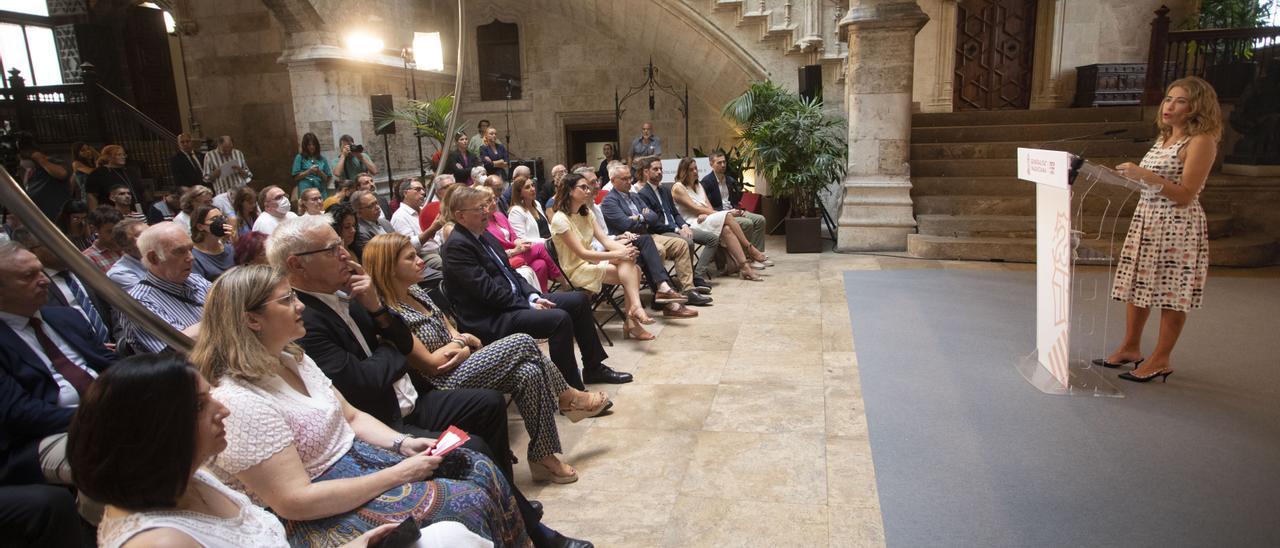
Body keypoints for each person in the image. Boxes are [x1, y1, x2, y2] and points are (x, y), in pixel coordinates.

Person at [183, 266, 530, 546]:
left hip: (362, 463)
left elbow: (350, 415)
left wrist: (403, 444)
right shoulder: (239, 400)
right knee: (461, 503)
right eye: (287, 300)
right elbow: (294, 501)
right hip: (319, 509)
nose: (300, 305)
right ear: (251, 320)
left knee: (478, 466)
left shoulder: (293, 357)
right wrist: (398, 473)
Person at [68, 353, 405, 548]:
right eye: (201, 405)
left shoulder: (191, 475)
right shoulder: (161, 543)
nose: (223, 410)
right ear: (158, 430)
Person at [367, 233, 609, 482]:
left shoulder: (416, 291)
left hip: (460, 363)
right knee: (523, 340)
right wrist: (462, 343)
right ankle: (568, 396)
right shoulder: (390, 314)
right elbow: (431, 363)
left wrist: (460, 344)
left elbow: (452, 330)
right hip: (441, 383)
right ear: (389, 267)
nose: (420, 261)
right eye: (410, 258)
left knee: (529, 372)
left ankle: (543, 457)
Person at [442, 184, 633, 387]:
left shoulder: (483, 235)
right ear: (460, 216)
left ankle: (594, 368)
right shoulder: (457, 247)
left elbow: (511, 274)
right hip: (491, 316)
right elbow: (488, 293)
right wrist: (528, 305)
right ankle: (569, 390)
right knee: (558, 319)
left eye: (485, 206)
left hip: (511, 302)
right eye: (479, 209)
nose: (486, 211)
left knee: (577, 300)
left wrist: (533, 296)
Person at [1099, 76, 1220, 384]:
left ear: (1197, 107)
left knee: (1171, 292)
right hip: (1148, 219)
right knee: (1138, 285)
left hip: (1177, 225)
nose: (1170, 106)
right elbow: (1152, 180)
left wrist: (1144, 175)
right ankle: (1130, 346)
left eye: (1180, 100)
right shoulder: (1164, 138)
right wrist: (1127, 177)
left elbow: (1185, 194)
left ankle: (1161, 359)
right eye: (1168, 98)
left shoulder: (1200, 141)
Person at [0, 241, 115, 509]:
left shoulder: (65, 317)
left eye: (41, 272)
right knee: (112, 454)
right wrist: (100, 416)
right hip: (39, 437)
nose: (44, 281)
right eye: (29, 276)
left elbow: (111, 363)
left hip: (107, 408)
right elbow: (19, 414)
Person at [552, 173, 660, 340]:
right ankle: (633, 319)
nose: (589, 190)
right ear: (570, 191)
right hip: (576, 268)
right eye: (584, 187)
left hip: (593, 260)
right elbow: (582, 253)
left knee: (631, 263)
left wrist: (625, 250)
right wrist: (619, 253)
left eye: (588, 187)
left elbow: (605, 240)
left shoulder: (586, 213)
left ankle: (634, 314)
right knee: (635, 270)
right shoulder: (560, 219)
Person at [600, 164, 711, 307]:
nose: (629, 181)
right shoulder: (609, 201)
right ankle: (659, 295)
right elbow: (625, 225)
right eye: (624, 179)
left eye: (630, 178)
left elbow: (653, 218)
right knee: (658, 249)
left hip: (647, 234)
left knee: (682, 244)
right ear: (613, 180)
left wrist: (637, 218)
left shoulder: (634, 196)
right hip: (630, 240)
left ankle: (688, 290)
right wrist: (643, 217)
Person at [671, 156, 768, 281]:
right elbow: (695, 208)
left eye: (696, 168)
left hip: (704, 218)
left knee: (727, 229)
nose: (695, 172)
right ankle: (750, 249)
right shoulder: (678, 188)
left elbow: (709, 207)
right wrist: (714, 214)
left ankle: (744, 267)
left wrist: (709, 214)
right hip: (691, 223)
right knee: (727, 215)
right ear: (683, 171)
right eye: (691, 170)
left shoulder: (699, 186)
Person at [13, 228, 113, 348]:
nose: (63, 247)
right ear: (31, 252)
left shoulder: (85, 267)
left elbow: (112, 306)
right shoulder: (35, 289)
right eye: (53, 243)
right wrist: (92, 349)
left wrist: (122, 341)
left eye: (64, 241)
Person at [121, 222, 209, 353]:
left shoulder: (195, 280)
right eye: (180, 251)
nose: (191, 258)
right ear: (154, 258)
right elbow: (180, 349)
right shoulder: (139, 303)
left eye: (190, 249)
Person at [634, 156, 721, 284]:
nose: (659, 172)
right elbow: (655, 223)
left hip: (678, 227)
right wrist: (676, 229)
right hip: (662, 232)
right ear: (646, 172)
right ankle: (688, 281)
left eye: (661, 169)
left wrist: (684, 226)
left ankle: (697, 274)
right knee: (688, 242)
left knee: (712, 238)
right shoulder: (642, 194)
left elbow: (675, 213)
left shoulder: (665, 190)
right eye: (655, 169)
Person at [477, 186, 564, 292]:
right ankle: (563, 282)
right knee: (541, 247)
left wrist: (520, 244)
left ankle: (542, 294)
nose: (494, 203)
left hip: (517, 251)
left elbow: (514, 236)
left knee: (540, 264)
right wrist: (515, 250)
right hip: (506, 258)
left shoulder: (499, 215)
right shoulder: (482, 224)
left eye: (495, 199)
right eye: (489, 201)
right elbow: (495, 252)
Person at [702, 150, 768, 254]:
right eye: (719, 163)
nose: (723, 165)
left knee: (760, 220)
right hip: (721, 216)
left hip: (734, 211)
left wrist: (738, 210)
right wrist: (728, 213)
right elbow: (708, 207)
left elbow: (735, 200)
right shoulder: (706, 182)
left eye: (724, 162)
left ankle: (758, 253)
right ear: (711, 164)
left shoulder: (729, 180)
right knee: (747, 223)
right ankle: (747, 256)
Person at [18, 133, 73, 221]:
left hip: (56, 218)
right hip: (37, 218)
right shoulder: (28, 171)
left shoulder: (51, 162)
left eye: (24, 156)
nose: (21, 159)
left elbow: (62, 173)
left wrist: (41, 160)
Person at [391, 178, 444, 269]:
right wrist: (432, 229)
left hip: (440, 248)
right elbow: (409, 246)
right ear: (405, 193)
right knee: (447, 266)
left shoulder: (424, 210)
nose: (423, 192)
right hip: (422, 256)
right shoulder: (399, 216)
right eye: (418, 189)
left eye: (423, 189)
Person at [85, 145, 141, 211]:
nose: (123, 157)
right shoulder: (98, 173)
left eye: (124, 154)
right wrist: (95, 215)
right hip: (111, 213)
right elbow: (92, 195)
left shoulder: (131, 171)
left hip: (135, 211)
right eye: (119, 155)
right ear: (108, 157)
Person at [191, 204, 236, 281]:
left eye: (221, 217)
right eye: (214, 219)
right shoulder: (194, 256)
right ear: (200, 227)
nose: (221, 221)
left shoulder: (229, 247)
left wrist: (236, 243)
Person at [351, 189, 397, 260]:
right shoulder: (359, 232)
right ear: (359, 213)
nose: (377, 207)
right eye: (371, 206)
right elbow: (376, 257)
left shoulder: (385, 222)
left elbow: (399, 242)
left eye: (376, 203)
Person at [106, 219, 149, 291]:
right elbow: (151, 297)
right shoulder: (121, 273)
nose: (154, 240)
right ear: (127, 249)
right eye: (145, 237)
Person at [508, 175, 552, 243]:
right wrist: (546, 241)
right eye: (527, 187)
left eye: (532, 185)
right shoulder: (516, 211)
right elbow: (522, 239)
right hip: (537, 248)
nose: (533, 189)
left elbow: (546, 226)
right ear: (519, 193)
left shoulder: (537, 204)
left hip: (550, 243)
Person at [81, 206, 124, 273]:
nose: (116, 235)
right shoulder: (89, 258)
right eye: (110, 231)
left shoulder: (127, 248)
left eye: (119, 230)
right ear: (95, 229)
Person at [292, 132, 333, 199]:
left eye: (314, 144)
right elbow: (295, 177)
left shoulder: (322, 159)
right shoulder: (300, 157)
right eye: (309, 145)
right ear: (305, 146)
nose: (312, 147)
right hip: (306, 189)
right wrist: (309, 171)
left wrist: (320, 172)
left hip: (320, 189)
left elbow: (328, 178)